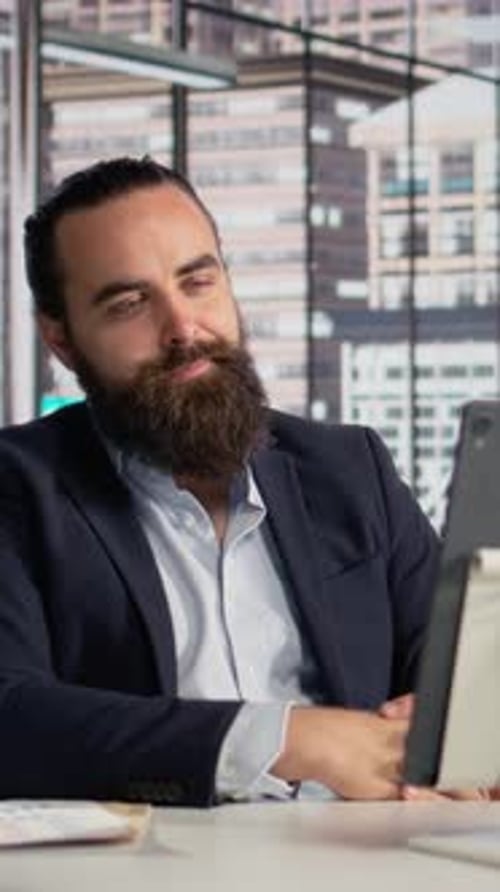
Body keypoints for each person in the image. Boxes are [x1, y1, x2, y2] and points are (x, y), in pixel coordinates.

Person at [0, 155, 439, 807]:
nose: (183, 329)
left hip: (374, 855)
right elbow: (12, 715)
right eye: (129, 304)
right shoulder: (17, 488)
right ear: (61, 340)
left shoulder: (351, 470)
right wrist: (286, 740)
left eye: (197, 282)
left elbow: (457, 670)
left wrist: (453, 734)